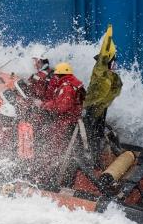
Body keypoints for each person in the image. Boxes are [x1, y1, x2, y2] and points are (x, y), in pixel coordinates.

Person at [83, 25, 123, 163]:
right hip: (97, 106)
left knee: (94, 133)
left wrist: (109, 36)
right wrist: (108, 37)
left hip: (98, 107)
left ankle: (95, 159)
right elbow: (105, 54)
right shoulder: (102, 70)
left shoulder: (108, 73)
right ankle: (96, 158)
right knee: (94, 133)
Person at [42, 62, 85, 160]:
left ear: (60, 75)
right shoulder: (72, 83)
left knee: (56, 138)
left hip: (68, 120)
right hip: (74, 117)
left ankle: (57, 159)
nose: (55, 77)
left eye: (56, 75)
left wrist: (46, 105)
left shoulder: (66, 87)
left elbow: (62, 106)